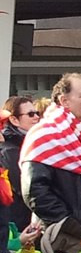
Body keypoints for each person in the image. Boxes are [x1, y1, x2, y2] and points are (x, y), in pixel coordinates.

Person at [20, 73, 81, 253]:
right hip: (62, 241)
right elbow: (34, 192)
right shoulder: (43, 134)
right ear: (64, 101)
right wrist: (72, 226)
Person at [1, 95, 41, 231]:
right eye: (30, 114)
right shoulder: (9, 150)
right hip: (21, 224)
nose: (36, 117)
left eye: (37, 113)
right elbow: (24, 187)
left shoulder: (32, 143)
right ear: (14, 119)